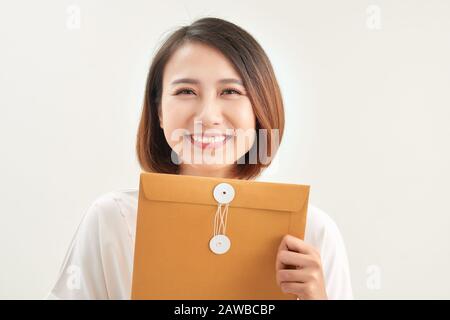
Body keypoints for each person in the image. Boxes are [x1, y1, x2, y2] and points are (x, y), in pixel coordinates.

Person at [47, 17, 353, 300]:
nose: (207, 116)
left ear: (259, 108)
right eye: (186, 91)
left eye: (231, 91)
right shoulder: (112, 220)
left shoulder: (311, 232)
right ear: (159, 112)